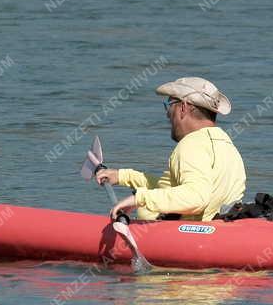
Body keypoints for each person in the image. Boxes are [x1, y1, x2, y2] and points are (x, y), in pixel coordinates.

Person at [96, 77, 246, 222]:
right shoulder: (228, 145)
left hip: (181, 239)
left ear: (183, 107)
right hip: (217, 233)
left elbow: (195, 197)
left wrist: (139, 198)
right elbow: (173, 188)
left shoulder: (191, 145)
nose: (167, 114)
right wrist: (124, 176)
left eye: (170, 104)